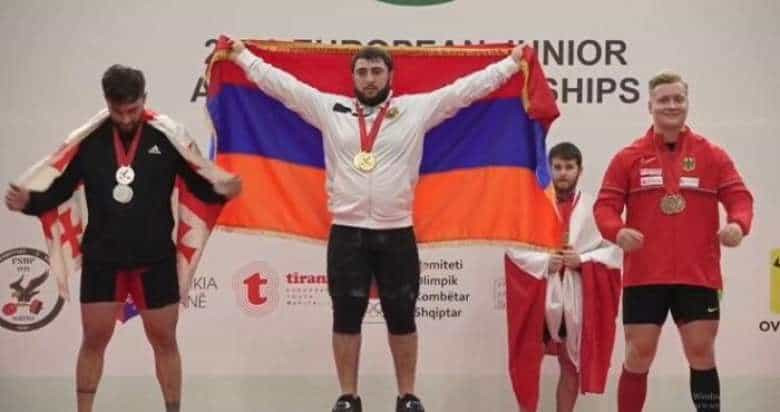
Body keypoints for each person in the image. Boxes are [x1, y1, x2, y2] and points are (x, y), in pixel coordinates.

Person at [224, 35, 524, 412]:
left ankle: (407, 396)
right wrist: (242, 57)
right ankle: (348, 397)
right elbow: (283, 87)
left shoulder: (416, 109)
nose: (369, 78)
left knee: (402, 317)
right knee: (346, 318)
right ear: (352, 76)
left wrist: (511, 64)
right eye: (363, 71)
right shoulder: (329, 108)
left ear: (390, 75)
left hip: (397, 232)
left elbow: (465, 92)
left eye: (376, 71)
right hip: (347, 233)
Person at [4, 64, 241, 412]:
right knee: (93, 341)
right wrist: (29, 203)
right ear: (107, 103)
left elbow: (196, 185)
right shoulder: (90, 142)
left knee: (165, 341)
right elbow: (62, 189)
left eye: (133, 109)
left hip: (156, 259)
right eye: (119, 111)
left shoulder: (168, 138)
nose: (127, 118)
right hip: (103, 259)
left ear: (144, 99)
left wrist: (222, 192)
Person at [593, 71, 753, 412]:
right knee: (638, 353)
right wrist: (617, 231)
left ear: (687, 103)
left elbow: (740, 198)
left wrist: (738, 225)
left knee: (701, 352)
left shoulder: (713, 155)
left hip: (698, 274)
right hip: (644, 274)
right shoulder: (628, 157)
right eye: (663, 99)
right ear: (650, 106)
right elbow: (605, 206)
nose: (671, 105)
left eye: (678, 99)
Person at [506, 142, 622, 412]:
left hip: (575, 294)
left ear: (580, 170)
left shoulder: (595, 208)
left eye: (569, 167)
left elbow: (613, 252)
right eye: (557, 167)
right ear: (548, 169)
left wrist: (582, 261)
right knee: (528, 360)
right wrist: (544, 262)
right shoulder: (531, 205)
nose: (563, 173)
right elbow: (513, 248)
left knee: (571, 364)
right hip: (538, 293)